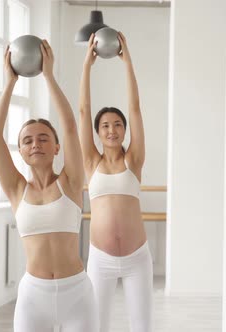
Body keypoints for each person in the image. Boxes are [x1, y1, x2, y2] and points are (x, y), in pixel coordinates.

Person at [0, 40, 97, 332]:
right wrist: (9, 82)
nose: (35, 144)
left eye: (43, 138)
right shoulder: (15, 189)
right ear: (21, 151)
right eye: (27, 140)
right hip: (33, 296)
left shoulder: (71, 182)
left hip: (77, 293)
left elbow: (71, 125)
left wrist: (49, 76)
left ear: (57, 147)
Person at [79, 32, 153, 332]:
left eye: (117, 124)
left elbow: (135, 108)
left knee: (142, 326)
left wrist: (127, 61)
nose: (112, 130)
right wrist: (87, 64)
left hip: (137, 257)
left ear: (124, 130)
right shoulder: (90, 162)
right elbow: (83, 112)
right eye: (105, 125)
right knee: (95, 325)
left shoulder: (133, 160)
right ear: (98, 132)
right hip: (101, 259)